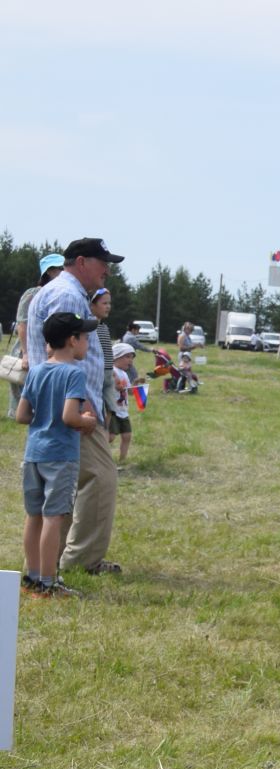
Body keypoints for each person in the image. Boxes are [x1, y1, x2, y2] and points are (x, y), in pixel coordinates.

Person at [27, 239, 125, 577]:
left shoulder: (66, 292)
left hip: (58, 410)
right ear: (81, 262)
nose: (108, 271)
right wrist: (82, 411)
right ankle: (80, 562)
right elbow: (65, 355)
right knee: (99, 479)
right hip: (71, 413)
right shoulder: (68, 296)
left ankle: (45, 566)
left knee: (61, 490)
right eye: (103, 263)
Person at [15, 311, 100, 596]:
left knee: (33, 515)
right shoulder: (74, 373)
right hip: (61, 456)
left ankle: (33, 578)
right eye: (85, 337)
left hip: (34, 453)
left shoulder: (37, 370)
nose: (87, 343)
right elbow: (68, 417)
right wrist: (86, 421)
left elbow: (21, 415)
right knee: (54, 517)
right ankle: (49, 585)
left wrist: (44, 417)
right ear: (72, 340)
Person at [8, 252, 63, 418]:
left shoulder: (58, 293)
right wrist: (25, 353)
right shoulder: (33, 293)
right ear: (50, 272)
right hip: (28, 348)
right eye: (60, 268)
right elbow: (22, 323)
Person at [108, 342, 137, 465]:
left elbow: (129, 392)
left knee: (127, 436)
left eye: (132, 357)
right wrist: (117, 384)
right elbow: (116, 386)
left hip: (123, 411)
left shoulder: (125, 374)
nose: (130, 361)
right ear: (116, 356)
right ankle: (103, 458)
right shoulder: (112, 371)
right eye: (127, 357)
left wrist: (136, 385)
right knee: (110, 437)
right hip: (113, 409)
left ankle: (122, 460)